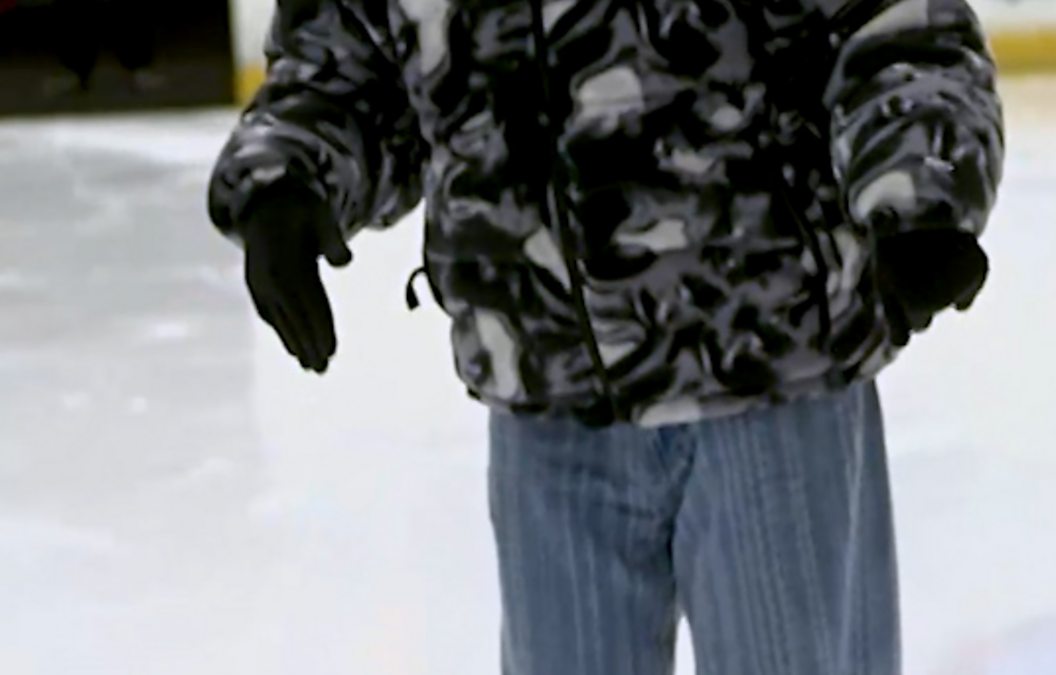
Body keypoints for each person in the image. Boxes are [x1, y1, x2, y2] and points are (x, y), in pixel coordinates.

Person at [209, 0, 1003, 672]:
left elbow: (890, 23)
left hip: (769, 365)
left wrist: (921, 187)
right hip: (544, 385)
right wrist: (287, 180)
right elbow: (347, 61)